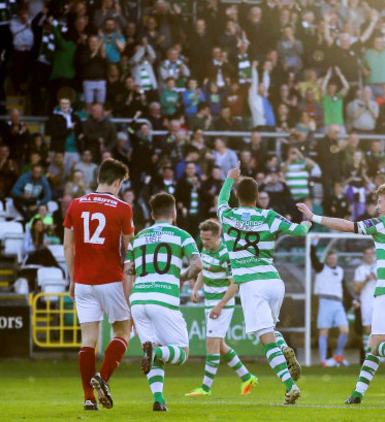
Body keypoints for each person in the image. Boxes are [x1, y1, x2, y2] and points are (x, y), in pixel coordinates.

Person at [297, 184, 385, 404]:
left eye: (380, 202)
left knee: (376, 343)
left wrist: (314, 217)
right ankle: (357, 393)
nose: (377, 207)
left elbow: (348, 226)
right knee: (377, 345)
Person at [217, 162, 311, 405]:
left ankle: (290, 387)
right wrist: (308, 222)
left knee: (265, 338)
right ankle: (284, 348)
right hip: (273, 281)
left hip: (251, 284)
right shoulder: (268, 216)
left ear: (237, 195)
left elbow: (220, 201)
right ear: (258, 197)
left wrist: (230, 178)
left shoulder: (227, 215)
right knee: (271, 329)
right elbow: (299, 232)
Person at [63, 158, 135, 411]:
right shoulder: (123, 208)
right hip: (110, 280)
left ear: (98, 179)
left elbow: (67, 246)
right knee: (123, 332)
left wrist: (72, 278)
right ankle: (102, 378)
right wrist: (129, 285)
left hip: (82, 281)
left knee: (88, 340)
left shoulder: (75, 204)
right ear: (117, 182)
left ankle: (88, 398)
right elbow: (131, 251)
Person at [125, 193, 203, 412]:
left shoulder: (137, 237)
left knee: (153, 347)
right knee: (181, 352)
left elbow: (128, 273)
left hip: (138, 299)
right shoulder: (182, 235)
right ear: (174, 213)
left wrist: (129, 307)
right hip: (163, 299)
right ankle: (155, 354)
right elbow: (198, 265)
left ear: (151, 214)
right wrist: (184, 275)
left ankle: (158, 399)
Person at [186, 220, 258, 397]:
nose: (205, 242)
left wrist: (220, 305)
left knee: (211, 344)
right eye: (202, 238)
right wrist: (196, 288)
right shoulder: (205, 249)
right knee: (220, 345)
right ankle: (247, 377)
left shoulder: (228, 255)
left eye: (208, 239)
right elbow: (203, 271)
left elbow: (235, 284)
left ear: (218, 236)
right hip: (210, 302)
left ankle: (205, 387)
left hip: (221, 303)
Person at [310, 237, 349, 367]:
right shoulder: (321, 268)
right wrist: (314, 244)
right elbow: (313, 258)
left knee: (345, 330)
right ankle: (323, 361)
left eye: (334, 258)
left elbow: (344, 287)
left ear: (336, 259)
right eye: (330, 258)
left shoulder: (340, 271)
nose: (332, 260)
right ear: (327, 259)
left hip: (338, 303)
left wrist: (353, 300)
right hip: (325, 301)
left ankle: (338, 355)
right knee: (324, 331)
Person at [353, 246, 377, 356]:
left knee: (380, 328)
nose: (369, 255)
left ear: (374, 254)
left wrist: (376, 278)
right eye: (367, 253)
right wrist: (366, 280)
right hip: (366, 301)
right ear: (364, 255)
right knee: (367, 328)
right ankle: (368, 355)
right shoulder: (360, 269)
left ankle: (382, 356)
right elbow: (356, 288)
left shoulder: (379, 267)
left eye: (371, 253)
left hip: (379, 301)